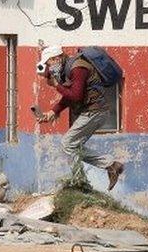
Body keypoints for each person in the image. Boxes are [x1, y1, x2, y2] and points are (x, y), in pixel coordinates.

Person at [34, 45, 125, 190]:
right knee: (72, 145)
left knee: (68, 143)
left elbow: (76, 96)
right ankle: (111, 165)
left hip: (95, 111)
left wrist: (57, 85)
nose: (49, 67)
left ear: (57, 58)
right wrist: (53, 112)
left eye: (49, 63)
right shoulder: (68, 69)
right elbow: (69, 96)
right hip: (92, 112)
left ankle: (79, 182)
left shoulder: (78, 68)